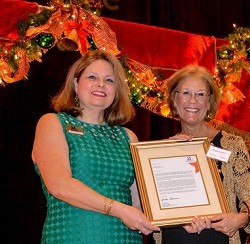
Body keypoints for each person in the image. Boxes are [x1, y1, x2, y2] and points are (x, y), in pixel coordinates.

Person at [32, 50, 160, 243]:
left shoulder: (128, 137)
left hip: (124, 239)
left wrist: (182, 154)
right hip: (72, 237)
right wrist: (119, 209)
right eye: (92, 77)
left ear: (116, 90)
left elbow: (140, 202)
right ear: (76, 84)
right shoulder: (53, 123)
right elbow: (59, 185)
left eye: (109, 80)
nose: (101, 84)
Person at [154, 65, 250, 244]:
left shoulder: (232, 145)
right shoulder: (161, 151)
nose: (193, 101)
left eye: (201, 94)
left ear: (210, 101)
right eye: (186, 93)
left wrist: (240, 219)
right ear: (174, 99)